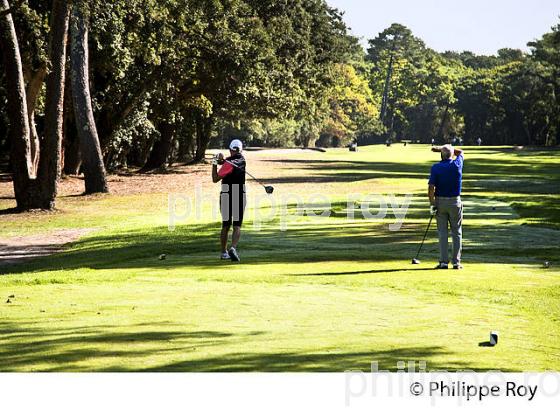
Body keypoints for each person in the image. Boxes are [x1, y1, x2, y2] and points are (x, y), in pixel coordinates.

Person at [428, 144, 464, 269]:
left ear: (441, 155)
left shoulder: (436, 167)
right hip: (455, 202)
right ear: (452, 154)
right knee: (457, 232)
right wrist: (445, 149)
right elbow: (461, 152)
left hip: (440, 202)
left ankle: (443, 262)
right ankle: (456, 262)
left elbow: (431, 188)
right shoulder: (457, 164)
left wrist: (432, 204)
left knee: (442, 233)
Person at [212, 139, 246, 262]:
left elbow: (215, 178)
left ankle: (223, 252)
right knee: (237, 225)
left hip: (226, 193)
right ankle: (233, 248)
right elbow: (226, 161)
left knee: (226, 225)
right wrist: (220, 160)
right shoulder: (242, 160)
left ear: (230, 149)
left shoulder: (228, 163)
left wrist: (214, 162)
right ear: (240, 150)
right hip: (239, 194)